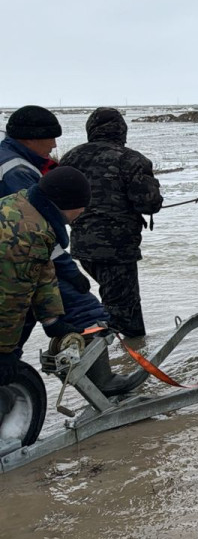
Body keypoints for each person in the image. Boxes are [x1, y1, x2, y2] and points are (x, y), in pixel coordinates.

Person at [0, 167, 143, 396]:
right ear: (70, 205)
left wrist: (51, 319)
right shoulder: (28, 235)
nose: (84, 212)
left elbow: (43, 270)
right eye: (83, 206)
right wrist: (4, 351)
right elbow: (11, 299)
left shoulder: (26, 206)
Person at [60, 108, 164, 336]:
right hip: (117, 250)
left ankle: (110, 350)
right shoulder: (132, 159)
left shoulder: (70, 157)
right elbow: (150, 204)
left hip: (81, 246)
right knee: (125, 315)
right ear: (122, 131)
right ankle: (125, 361)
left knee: (111, 302)